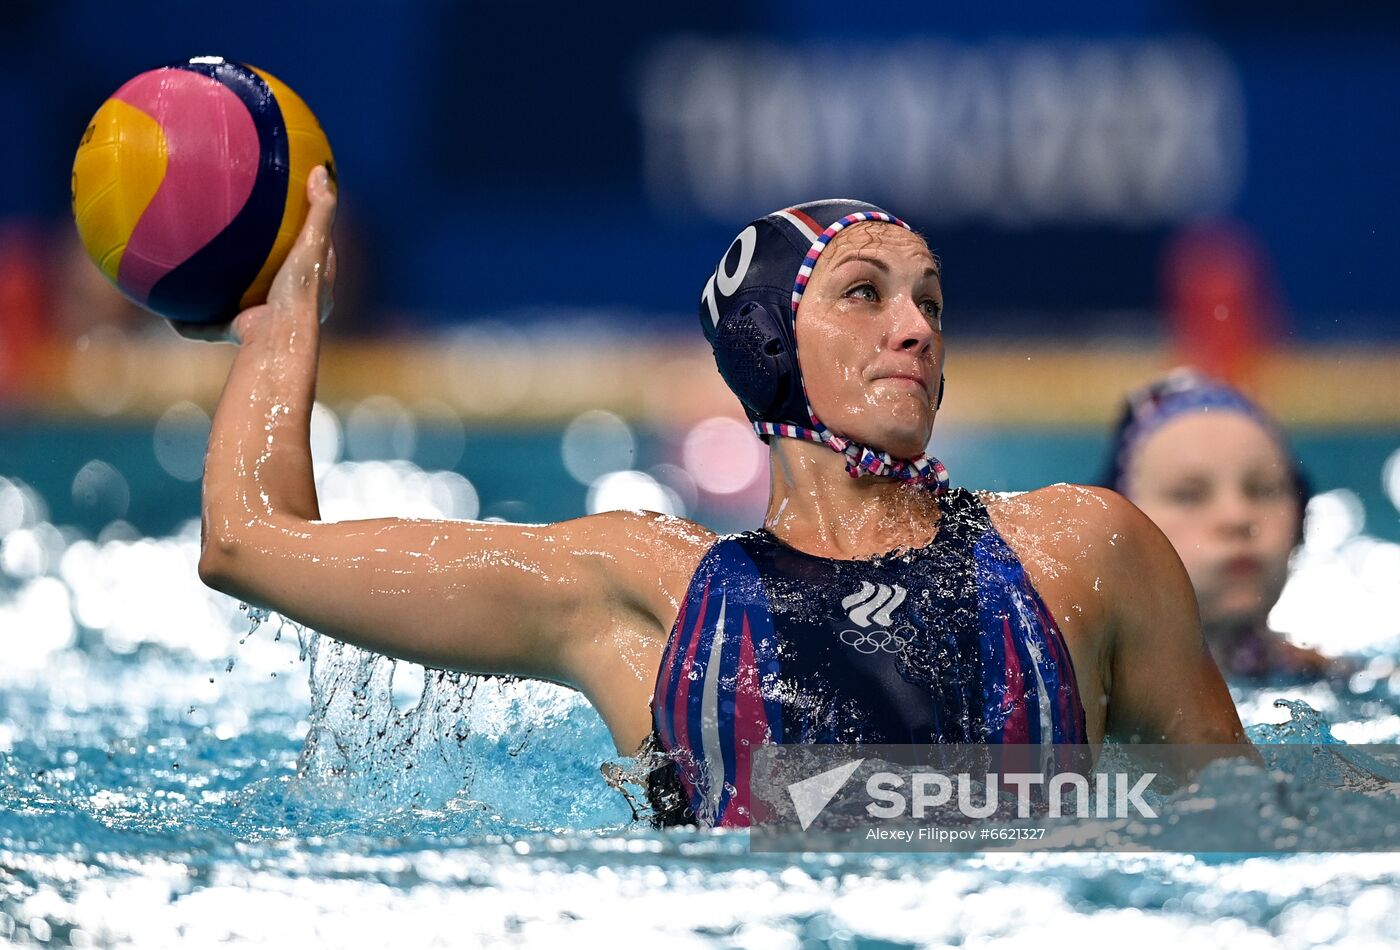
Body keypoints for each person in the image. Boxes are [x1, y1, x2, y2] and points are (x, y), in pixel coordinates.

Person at [189, 167, 1250, 828]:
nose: (918, 327)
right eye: (864, 293)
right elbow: (250, 544)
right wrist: (284, 329)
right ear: (768, 341)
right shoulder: (640, 595)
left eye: (928, 299)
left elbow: (1246, 820)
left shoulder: (1082, 549)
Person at [1102, 369, 1336, 680]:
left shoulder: (1334, 679)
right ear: (1120, 534)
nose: (1237, 518)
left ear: (1300, 523)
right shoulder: (1084, 701)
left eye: (1263, 489)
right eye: (1189, 496)